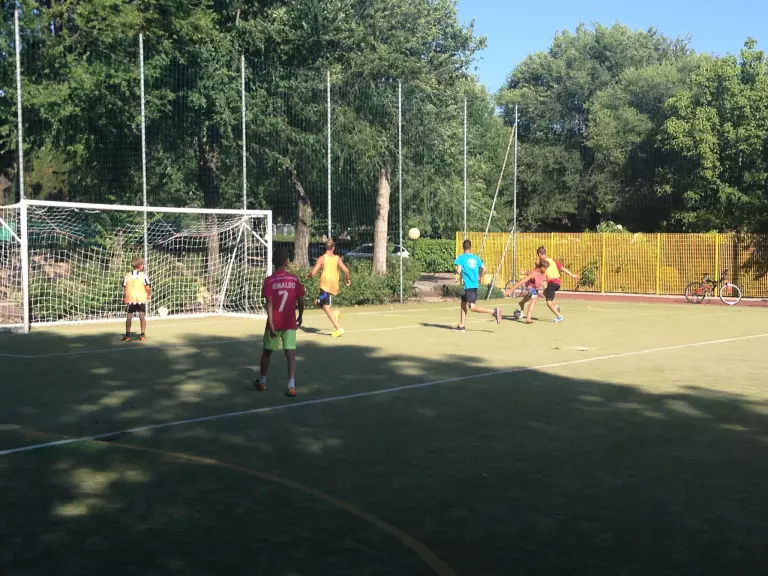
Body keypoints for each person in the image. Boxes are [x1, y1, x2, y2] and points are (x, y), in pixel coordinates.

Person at [257, 247, 305, 397]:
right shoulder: (294, 279)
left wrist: (271, 322)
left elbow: (269, 302)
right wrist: (300, 316)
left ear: (273, 262)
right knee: (290, 353)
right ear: (287, 262)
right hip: (289, 322)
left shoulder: (269, 281)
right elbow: (300, 299)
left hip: (274, 322)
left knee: (267, 352)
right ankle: (291, 385)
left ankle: (262, 382)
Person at [452, 239, 501, 331]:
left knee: (472, 307)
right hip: (474, 285)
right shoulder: (476, 258)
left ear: (463, 247)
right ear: (470, 247)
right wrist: (479, 276)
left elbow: (458, 271)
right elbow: (485, 269)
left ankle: (494, 311)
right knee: (463, 303)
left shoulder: (461, 258)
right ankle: (462, 325)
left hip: (469, 285)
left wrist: (456, 271)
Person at [309, 239, 351, 338]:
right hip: (333, 285)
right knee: (317, 302)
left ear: (325, 247)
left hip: (325, 285)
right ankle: (334, 313)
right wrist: (347, 279)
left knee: (326, 306)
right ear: (333, 248)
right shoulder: (337, 258)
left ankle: (338, 328)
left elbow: (313, 273)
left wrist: (308, 275)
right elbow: (346, 270)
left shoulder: (321, 258)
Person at [537, 246, 579, 323]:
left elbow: (538, 273)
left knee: (549, 303)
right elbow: (562, 268)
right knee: (545, 292)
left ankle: (559, 316)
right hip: (557, 283)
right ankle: (556, 306)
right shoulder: (553, 260)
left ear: (539, 254)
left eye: (538, 255)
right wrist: (572, 275)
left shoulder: (542, 263)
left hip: (552, 283)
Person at [122, 257, 151, 342]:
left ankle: (127, 336)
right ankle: (142, 335)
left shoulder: (127, 275)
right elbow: (148, 288)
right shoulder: (143, 275)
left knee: (129, 317)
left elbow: (125, 287)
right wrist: (149, 295)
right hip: (141, 299)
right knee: (142, 317)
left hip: (131, 299)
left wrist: (125, 296)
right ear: (140, 266)